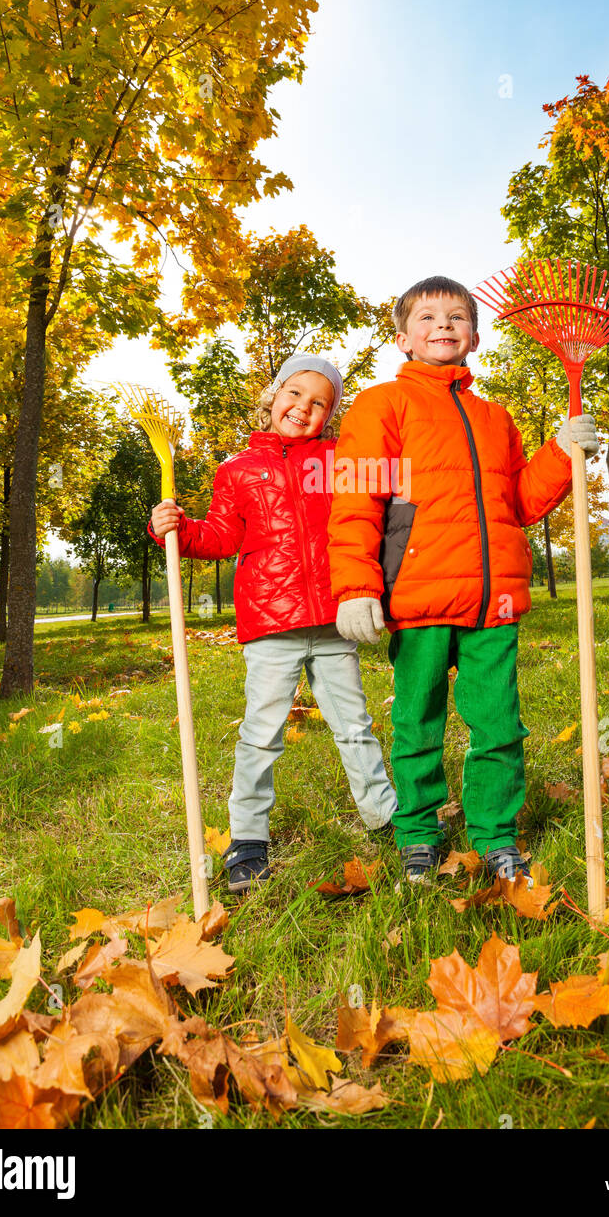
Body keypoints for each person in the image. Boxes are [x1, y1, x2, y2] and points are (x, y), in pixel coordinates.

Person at [328, 276, 599, 884]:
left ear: (474, 337)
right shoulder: (382, 405)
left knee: (498, 723)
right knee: (417, 724)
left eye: (457, 317)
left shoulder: (495, 418)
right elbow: (355, 500)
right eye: (426, 317)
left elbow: (519, 502)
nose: (443, 325)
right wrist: (356, 586)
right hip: (418, 595)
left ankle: (496, 834)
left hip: (491, 601)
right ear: (403, 338)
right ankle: (418, 832)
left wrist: (561, 452)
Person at [148, 353, 397, 894]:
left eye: (319, 403)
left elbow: (371, 511)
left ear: (330, 415)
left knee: (354, 726)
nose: (303, 408)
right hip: (270, 622)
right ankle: (248, 839)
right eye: (295, 394)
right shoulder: (237, 470)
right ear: (274, 395)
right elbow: (220, 537)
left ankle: (384, 816)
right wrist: (178, 530)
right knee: (260, 735)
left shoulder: (339, 460)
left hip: (333, 619)